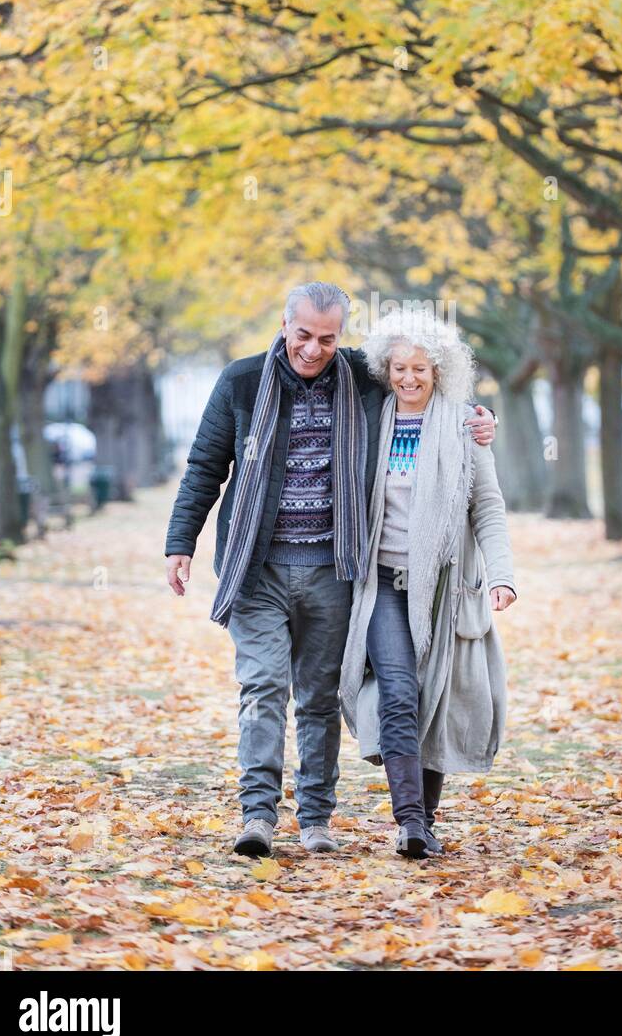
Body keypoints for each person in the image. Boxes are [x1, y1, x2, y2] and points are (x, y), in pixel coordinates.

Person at [164, 283, 497, 858]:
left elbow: (423, 385)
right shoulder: (241, 383)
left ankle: (315, 818)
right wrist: (180, 542)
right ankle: (258, 815)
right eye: (303, 336)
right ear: (283, 324)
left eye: (327, 338)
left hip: (335, 570)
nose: (314, 350)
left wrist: (483, 419)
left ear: (340, 335)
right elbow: (205, 466)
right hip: (257, 567)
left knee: (318, 699)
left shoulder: (361, 378)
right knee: (263, 686)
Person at [339, 308, 517, 859]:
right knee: (399, 688)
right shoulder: (369, 419)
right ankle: (410, 822)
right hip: (382, 585)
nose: (409, 378)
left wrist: (502, 575)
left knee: (433, 697)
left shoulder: (465, 426)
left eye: (420, 368)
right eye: (398, 368)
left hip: (442, 585)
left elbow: (487, 507)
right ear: (385, 370)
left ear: (439, 370)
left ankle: (427, 820)